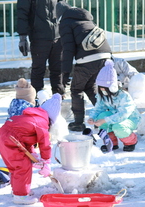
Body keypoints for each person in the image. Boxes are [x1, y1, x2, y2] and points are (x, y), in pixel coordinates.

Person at [56, 1, 112, 131]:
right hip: (105, 56)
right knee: (89, 87)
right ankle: (104, 117)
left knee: (76, 89)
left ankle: (78, 123)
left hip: (88, 59)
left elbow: (68, 49)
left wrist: (65, 73)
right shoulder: (85, 18)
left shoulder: (66, 22)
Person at [0, 93, 61, 205]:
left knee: (16, 166)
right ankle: (20, 196)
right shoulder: (42, 123)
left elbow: (25, 137)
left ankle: (18, 191)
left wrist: (32, 153)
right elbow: (45, 144)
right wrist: (46, 162)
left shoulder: (32, 117)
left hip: (3, 137)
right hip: (10, 140)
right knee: (23, 166)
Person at [87, 60, 140, 152]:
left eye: (105, 88)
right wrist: (92, 117)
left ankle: (131, 141)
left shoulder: (124, 96)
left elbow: (123, 114)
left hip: (129, 119)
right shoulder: (102, 95)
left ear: (113, 87)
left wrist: (106, 120)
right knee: (101, 116)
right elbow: (99, 108)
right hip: (114, 117)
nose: (102, 90)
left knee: (117, 127)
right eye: (100, 88)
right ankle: (111, 142)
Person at [16, 0, 65, 96]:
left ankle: (59, 96)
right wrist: (22, 37)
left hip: (58, 36)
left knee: (58, 69)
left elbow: (63, 7)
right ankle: (37, 97)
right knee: (38, 70)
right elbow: (22, 13)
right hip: (38, 36)